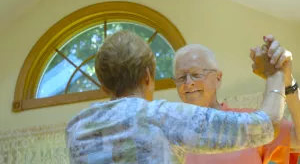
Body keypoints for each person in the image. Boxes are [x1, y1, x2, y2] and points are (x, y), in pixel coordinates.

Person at [66, 31, 286, 164]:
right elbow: (266, 126)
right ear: (147, 76)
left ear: (103, 86)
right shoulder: (162, 116)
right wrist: (276, 74)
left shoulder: (76, 128)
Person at [172, 35, 300, 164]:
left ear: (218, 77)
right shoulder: (171, 129)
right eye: (181, 77)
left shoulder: (248, 119)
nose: (188, 83)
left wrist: (287, 81)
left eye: (196, 74)